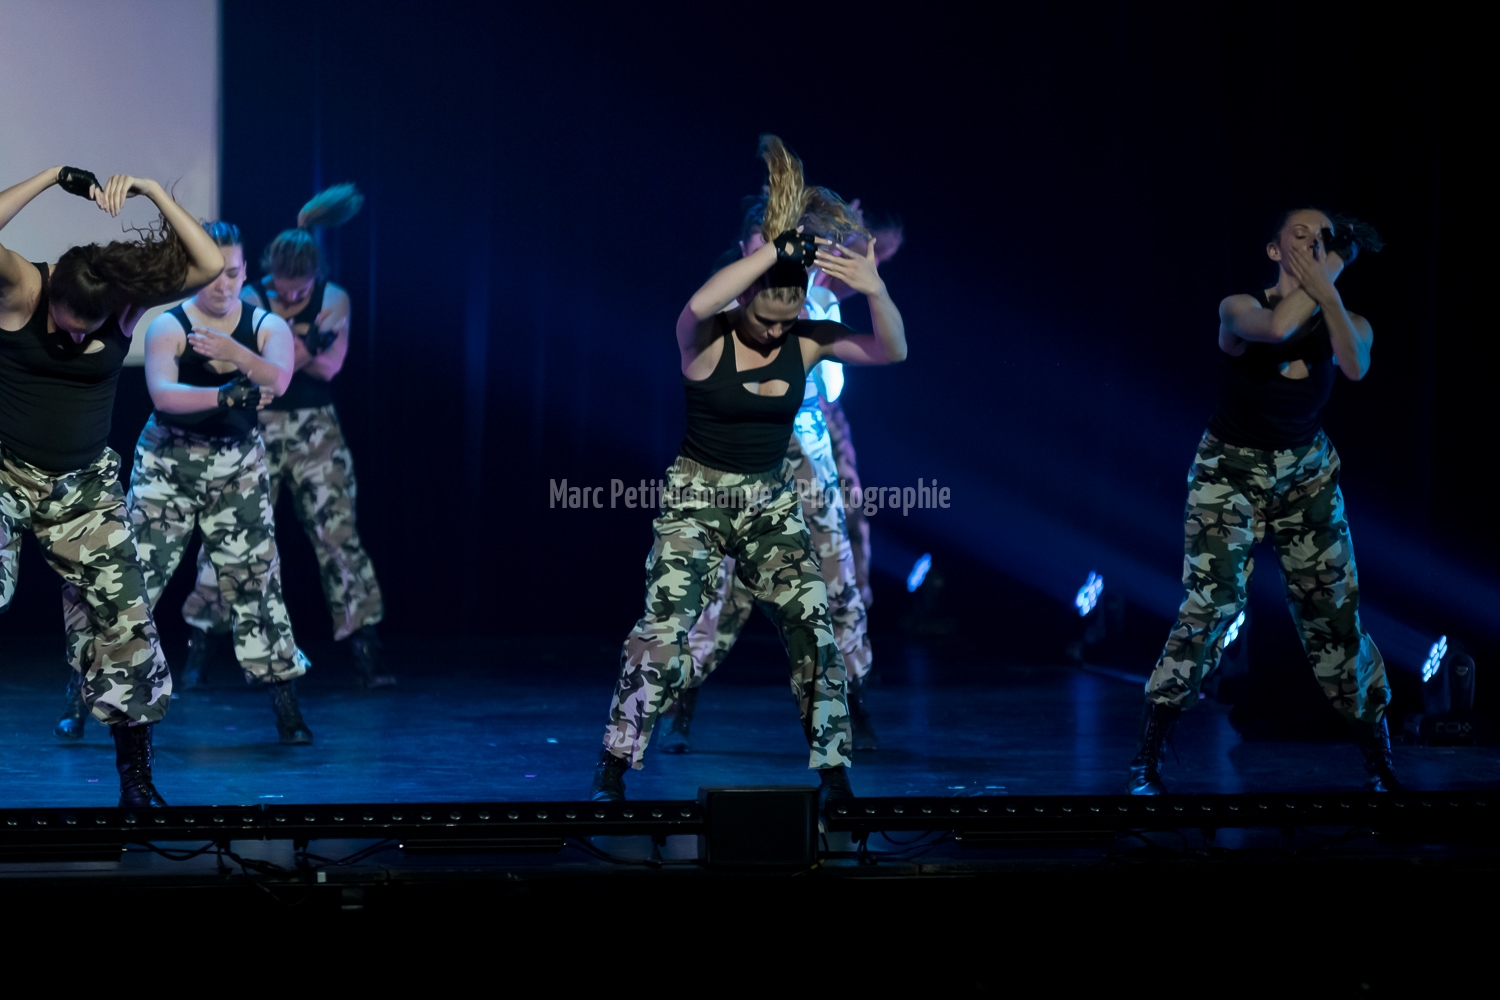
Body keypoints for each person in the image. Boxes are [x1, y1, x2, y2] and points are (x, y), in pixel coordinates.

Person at [591, 136, 908, 809]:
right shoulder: (706, 341)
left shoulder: (805, 338)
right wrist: (773, 247)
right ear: (748, 299)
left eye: (789, 318)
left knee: (812, 625)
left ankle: (834, 772)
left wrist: (874, 286)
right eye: (767, 317)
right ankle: (614, 764)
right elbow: (698, 304)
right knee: (664, 629)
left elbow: (891, 350)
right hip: (698, 500)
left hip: (769, 503)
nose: (776, 331)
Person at [1130, 207, 1398, 795]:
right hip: (1229, 470)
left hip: (1306, 474)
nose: (1312, 244)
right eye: (1299, 236)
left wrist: (1327, 286)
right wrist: (1327, 272)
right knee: (1212, 606)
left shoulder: (1347, 319)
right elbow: (1276, 331)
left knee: (1335, 616)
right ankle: (1146, 760)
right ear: (1274, 251)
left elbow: (1355, 366)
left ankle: (1380, 762)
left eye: (1323, 238)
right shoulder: (1238, 308)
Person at [0, 166, 226, 806]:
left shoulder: (122, 301)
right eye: (68, 325)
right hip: (5, 475)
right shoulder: (21, 288)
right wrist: (49, 177)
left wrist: (151, 190)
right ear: (51, 295)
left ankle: (137, 780)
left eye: (88, 330)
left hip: (85, 491)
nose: (78, 338)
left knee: (127, 623)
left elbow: (208, 265)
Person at [657, 204, 902, 755]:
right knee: (717, 590)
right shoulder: (726, 300)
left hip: (805, 443)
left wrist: (867, 282)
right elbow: (699, 318)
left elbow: (880, 353)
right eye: (761, 243)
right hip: (736, 455)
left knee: (835, 579)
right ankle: (681, 702)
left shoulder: (811, 304)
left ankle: (853, 700)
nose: (772, 252)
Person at [59, 220, 316, 744]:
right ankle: (81, 694)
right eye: (214, 274)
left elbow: (280, 377)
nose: (225, 284)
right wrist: (226, 394)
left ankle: (285, 702)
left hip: (237, 464)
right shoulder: (169, 325)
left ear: (245, 271)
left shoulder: (266, 325)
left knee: (257, 579)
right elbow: (164, 395)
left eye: (234, 274)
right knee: (130, 582)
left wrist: (236, 355)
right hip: (169, 461)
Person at [180, 185, 393, 689]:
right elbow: (264, 367)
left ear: (317, 275)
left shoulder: (334, 297)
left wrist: (282, 350)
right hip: (253, 425)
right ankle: (200, 647)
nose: (294, 297)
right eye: (286, 289)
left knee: (337, 535)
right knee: (228, 536)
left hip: (317, 430)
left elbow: (328, 367)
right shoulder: (250, 296)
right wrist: (301, 346)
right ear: (269, 272)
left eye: (303, 291)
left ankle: (366, 648)